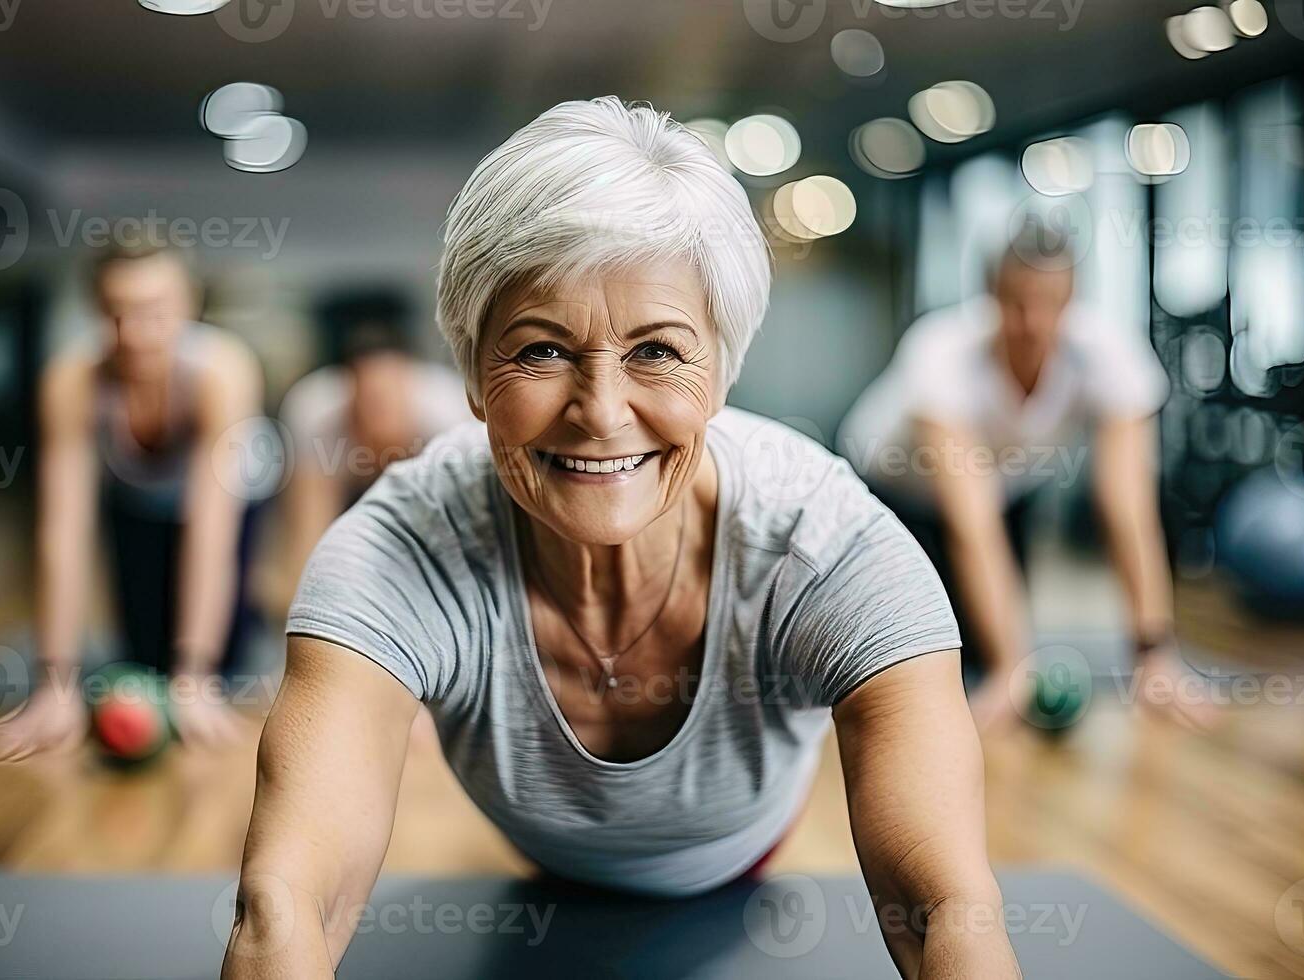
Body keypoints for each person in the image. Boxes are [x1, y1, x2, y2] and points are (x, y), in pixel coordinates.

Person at [222, 98, 1020, 979]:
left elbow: (947, 909)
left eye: (657, 352)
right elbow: (289, 902)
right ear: (472, 376)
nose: (601, 412)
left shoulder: (829, 546)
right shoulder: (398, 550)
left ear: (722, 374)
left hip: (736, 856)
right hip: (542, 861)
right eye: (540, 351)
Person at [838, 231, 1213, 734]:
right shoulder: (941, 351)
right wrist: (1011, 666)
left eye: (1050, 305)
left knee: (994, 657)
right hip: (892, 494)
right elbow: (972, 523)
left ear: (1072, 301)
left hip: (1005, 489)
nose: (1033, 323)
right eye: (1017, 304)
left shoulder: (1109, 353)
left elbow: (1128, 507)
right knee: (926, 658)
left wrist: (1154, 653)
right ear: (992, 295)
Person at [0, 243, 264, 762]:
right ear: (95, 310)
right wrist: (57, 684)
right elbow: (62, 534)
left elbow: (210, 531)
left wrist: (195, 676)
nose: (135, 335)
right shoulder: (72, 379)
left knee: (216, 671)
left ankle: (239, 632)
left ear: (188, 305)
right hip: (135, 503)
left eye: (155, 312)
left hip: (226, 506)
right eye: (117, 314)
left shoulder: (222, 370)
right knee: (141, 661)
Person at [277, 288, 472, 601]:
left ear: (408, 385)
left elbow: (463, 537)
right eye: (368, 401)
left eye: (387, 401)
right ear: (349, 390)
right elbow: (306, 532)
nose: (377, 415)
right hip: (346, 492)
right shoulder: (314, 410)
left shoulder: (449, 414)